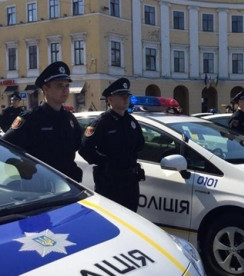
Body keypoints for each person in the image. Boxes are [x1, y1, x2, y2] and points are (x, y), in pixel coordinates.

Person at [2, 61, 83, 182]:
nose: (65, 90)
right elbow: (5, 147)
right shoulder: (30, 119)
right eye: (59, 85)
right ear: (45, 89)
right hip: (40, 186)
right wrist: (21, 166)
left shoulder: (69, 118)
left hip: (67, 186)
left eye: (67, 85)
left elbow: (79, 145)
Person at [79, 78, 145, 212]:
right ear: (110, 99)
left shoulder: (131, 122)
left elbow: (140, 144)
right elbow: (85, 148)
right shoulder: (102, 122)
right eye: (121, 96)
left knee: (132, 218)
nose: (125, 99)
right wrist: (105, 163)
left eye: (127, 96)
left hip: (130, 181)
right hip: (110, 182)